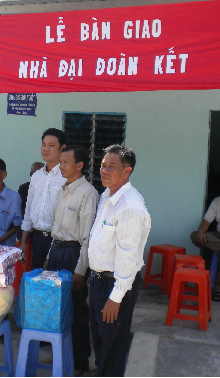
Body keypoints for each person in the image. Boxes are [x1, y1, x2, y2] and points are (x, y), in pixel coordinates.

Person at [88, 144, 151, 377]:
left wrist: (115, 299)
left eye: (111, 166)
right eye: (103, 165)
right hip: (99, 281)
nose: (104, 171)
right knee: (101, 339)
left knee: (113, 343)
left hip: (116, 284)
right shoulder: (107, 196)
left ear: (127, 171)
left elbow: (128, 256)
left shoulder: (130, 207)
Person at [44, 146, 99, 375]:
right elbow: (55, 228)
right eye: (61, 162)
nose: (61, 166)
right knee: (56, 307)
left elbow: (87, 237)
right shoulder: (62, 190)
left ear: (80, 165)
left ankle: (79, 361)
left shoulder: (88, 193)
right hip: (57, 251)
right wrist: (49, 256)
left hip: (74, 255)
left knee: (76, 309)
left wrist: (81, 269)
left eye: (66, 162)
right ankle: (59, 353)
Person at [19, 128, 67, 269]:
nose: (46, 149)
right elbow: (29, 210)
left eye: (51, 145)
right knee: (36, 279)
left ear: (62, 148)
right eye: (44, 145)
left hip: (59, 241)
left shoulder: (66, 176)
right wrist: (23, 242)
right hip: (38, 239)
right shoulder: (37, 176)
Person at [17, 161, 44, 241]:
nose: (39, 177)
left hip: (42, 231)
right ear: (31, 174)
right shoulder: (24, 188)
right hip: (28, 229)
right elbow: (24, 210)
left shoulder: (48, 189)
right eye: (36, 174)